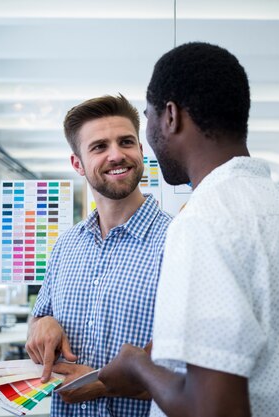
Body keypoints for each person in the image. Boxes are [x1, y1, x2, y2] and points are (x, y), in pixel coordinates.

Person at [98, 42, 279, 417]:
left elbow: (214, 410)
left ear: (170, 116)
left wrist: (137, 367)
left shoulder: (204, 221)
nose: (149, 138)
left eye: (149, 118)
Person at [25, 94, 171, 417]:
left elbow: (191, 372)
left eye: (126, 142)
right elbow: (35, 321)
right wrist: (41, 325)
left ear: (141, 152)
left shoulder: (176, 242)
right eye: (99, 147)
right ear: (77, 164)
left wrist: (103, 383)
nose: (116, 155)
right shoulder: (66, 247)